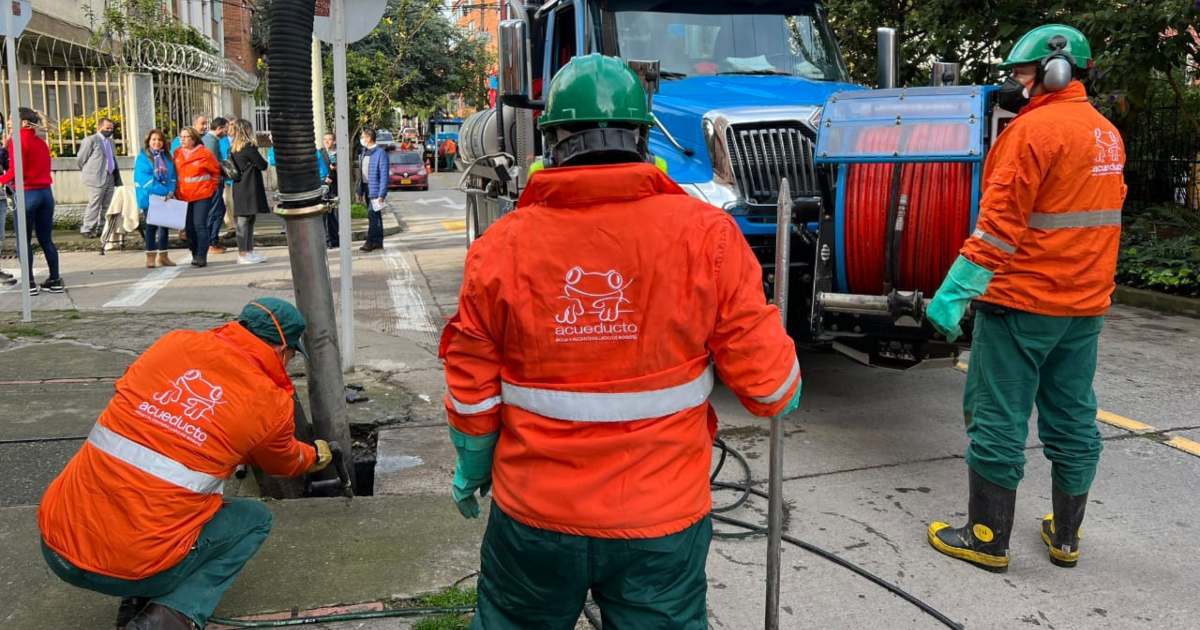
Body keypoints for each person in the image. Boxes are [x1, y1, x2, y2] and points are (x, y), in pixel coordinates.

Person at [441, 54, 802, 629]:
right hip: (661, 520)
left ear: (553, 141)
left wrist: (474, 463)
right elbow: (771, 390)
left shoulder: (501, 245)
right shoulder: (707, 234)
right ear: (641, 137)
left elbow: (471, 386)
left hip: (535, 517)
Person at [925, 25, 1126, 573]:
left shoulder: (1032, 132)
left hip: (1022, 303)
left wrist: (954, 293)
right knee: (1072, 418)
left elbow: (998, 227)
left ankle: (987, 538)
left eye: (1023, 71)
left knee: (997, 419)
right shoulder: (1106, 133)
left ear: (1057, 70)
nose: (1016, 81)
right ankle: (1065, 537)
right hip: (1083, 308)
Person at [38, 298, 333, 630]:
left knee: (155, 492)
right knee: (254, 520)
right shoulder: (269, 400)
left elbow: (132, 388)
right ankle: (168, 618)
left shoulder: (173, 344)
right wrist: (314, 456)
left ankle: (139, 596)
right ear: (282, 349)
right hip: (131, 567)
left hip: (55, 543)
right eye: (292, 354)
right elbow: (281, 461)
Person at [1, 107, 62, 294]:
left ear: (24, 123)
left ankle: (29, 283)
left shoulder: (16, 142)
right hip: (46, 194)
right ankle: (55, 279)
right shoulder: (41, 143)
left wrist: (2, 180)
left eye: (12, 119)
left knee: (23, 241)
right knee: (46, 240)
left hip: (27, 194)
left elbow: (16, 171)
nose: (9, 123)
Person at [173, 128, 221, 268]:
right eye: (181, 137)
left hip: (202, 195)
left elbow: (215, 172)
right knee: (188, 228)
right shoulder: (177, 154)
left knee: (199, 225)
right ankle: (194, 252)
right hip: (183, 195)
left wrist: (211, 188)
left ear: (193, 139)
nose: (182, 139)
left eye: (186, 137)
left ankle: (201, 255)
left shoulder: (205, 153)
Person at [133, 128, 178, 268]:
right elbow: (146, 180)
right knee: (151, 227)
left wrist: (171, 191)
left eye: (159, 140)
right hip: (149, 197)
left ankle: (163, 256)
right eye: (154, 140)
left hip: (165, 197)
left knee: (164, 228)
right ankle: (150, 257)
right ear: (148, 141)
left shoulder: (167, 157)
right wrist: (164, 191)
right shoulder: (142, 158)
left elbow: (172, 177)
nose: (157, 142)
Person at [228, 119, 270, 265]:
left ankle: (248, 251)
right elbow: (263, 165)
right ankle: (243, 253)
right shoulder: (248, 147)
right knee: (245, 221)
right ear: (246, 130)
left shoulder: (232, 149)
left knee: (246, 219)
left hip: (239, 186)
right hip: (250, 186)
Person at [76, 117, 119, 238]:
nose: (110, 130)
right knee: (94, 203)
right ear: (99, 128)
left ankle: (102, 228)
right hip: (95, 177)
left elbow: (112, 158)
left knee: (107, 204)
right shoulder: (91, 140)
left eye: (111, 128)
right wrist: (89, 171)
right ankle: (87, 228)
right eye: (107, 128)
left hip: (110, 176)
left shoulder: (111, 142)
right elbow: (80, 159)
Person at [357, 128, 389, 252]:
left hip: (375, 190)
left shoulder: (380, 153)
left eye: (363, 137)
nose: (362, 139)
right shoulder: (365, 152)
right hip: (366, 187)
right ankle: (378, 241)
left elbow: (384, 175)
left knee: (372, 215)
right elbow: (361, 173)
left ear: (369, 138)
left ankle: (370, 242)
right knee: (376, 216)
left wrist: (382, 194)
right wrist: (359, 191)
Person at [203, 117, 230, 256]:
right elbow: (212, 165)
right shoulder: (211, 142)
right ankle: (211, 242)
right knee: (215, 211)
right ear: (219, 128)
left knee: (219, 209)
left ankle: (213, 240)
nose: (227, 131)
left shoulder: (212, 140)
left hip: (213, 182)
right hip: (213, 183)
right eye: (226, 128)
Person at [317, 132, 339, 248]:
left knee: (333, 215)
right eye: (325, 139)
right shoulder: (320, 153)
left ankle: (335, 240)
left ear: (334, 141)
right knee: (323, 214)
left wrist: (335, 170)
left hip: (335, 187)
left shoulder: (338, 153)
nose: (327, 141)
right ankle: (326, 240)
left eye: (329, 139)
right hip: (323, 186)